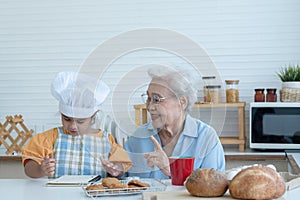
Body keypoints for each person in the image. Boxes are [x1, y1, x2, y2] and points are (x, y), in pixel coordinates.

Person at [22, 71, 132, 178]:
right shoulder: (51, 138)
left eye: (80, 121)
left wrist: (116, 170)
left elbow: (122, 165)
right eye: (67, 119)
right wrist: (41, 170)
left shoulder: (106, 139)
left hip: (94, 194)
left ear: (93, 117)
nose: (73, 126)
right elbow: (29, 165)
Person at [124, 66, 225, 178]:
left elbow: (212, 188)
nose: (150, 107)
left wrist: (170, 171)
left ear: (182, 102)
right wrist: (117, 173)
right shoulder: (138, 137)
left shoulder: (206, 138)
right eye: (148, 98)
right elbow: (123, 182)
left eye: (157, 99)